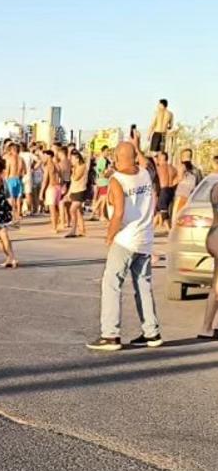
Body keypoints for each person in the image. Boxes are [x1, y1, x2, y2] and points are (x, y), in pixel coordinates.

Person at [87, 141, 161, 351]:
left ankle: (110, 335)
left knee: (111, 284)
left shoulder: (117, 180)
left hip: (126, 239)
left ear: (118, 158)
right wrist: (137, 147)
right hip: (145, 239)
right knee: (143, 286)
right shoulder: (145, 174)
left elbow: (118, 212)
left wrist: (109, 236)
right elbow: (146, 161)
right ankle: (152, 332)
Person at [198, 179, 218, 339]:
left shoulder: (215, 187)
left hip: (213, 234)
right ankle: (206, 327)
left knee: (216, 284)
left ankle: (207, 327)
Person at [65, 149, 88, 238]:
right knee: (78, 211)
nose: (71, 161)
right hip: (74, 191)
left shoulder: (82, 166)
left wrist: (73, 169)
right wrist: (68, 193)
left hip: (80, 191)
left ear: (77, 159)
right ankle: (82, 230)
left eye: (73, 159)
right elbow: (72, 182)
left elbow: (76, 178)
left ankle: (73, 230)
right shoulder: (75, 167)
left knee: (72, 209)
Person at [40, 149, 62, 233]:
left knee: (52, 209)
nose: (43, 158)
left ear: (48, 156)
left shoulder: (48, 166)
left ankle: (54, 227)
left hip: (51, 188)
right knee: (56, 208)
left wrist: (41, 192)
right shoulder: (57, 165)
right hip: (58, 188)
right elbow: (61, 177)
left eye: (44, 156)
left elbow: (45, 180)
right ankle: (56, 225)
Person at [154, 150, 177, 231]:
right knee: (159, 210)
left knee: (163, 211)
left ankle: (169, 230)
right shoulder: (173, 168)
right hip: (170, 190)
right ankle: (151, 229)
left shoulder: (159, 168)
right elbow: (177, 179)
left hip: (164, 190)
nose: (158, 160)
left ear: (162, 159)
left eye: (159, 158)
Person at [4, 142, 26, 223]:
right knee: (18, 198)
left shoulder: (9, 159)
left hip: (11, 179)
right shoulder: (21, 159)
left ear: (12, 150)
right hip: (18, 179)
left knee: (12, 198)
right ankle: (19, 213)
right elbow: (25, 172)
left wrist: (5, 182)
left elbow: (7, 171)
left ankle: (13, 215)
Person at [91, 146, 111, 221]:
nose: (107, 153)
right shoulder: (102, 160)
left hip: (104, 181)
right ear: (102, 151)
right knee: (103, 197)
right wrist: (108, 173)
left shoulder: (105, 160)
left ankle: (101, 214)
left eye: (108, 151)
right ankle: (97, 209)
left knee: (104, 198)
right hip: (103, 181)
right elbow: (100, 171)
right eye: (106, 151)